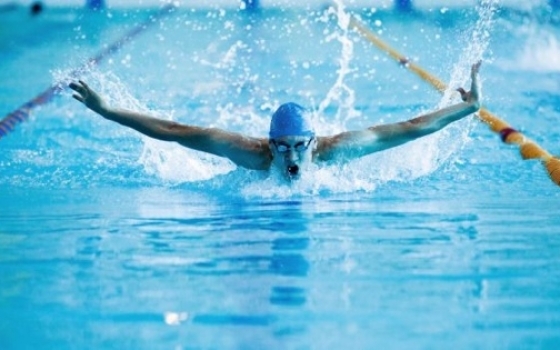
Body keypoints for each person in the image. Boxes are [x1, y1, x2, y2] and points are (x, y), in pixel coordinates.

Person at [69, 61, 481, 182]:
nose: (290, 157)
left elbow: (410, 128)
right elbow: (176, 133)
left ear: (313, 141)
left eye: (299, 144)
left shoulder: (335, 150)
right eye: (281, 146)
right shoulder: (250, 155)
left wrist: (466, 107)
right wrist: (107, 111)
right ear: (268, 145)